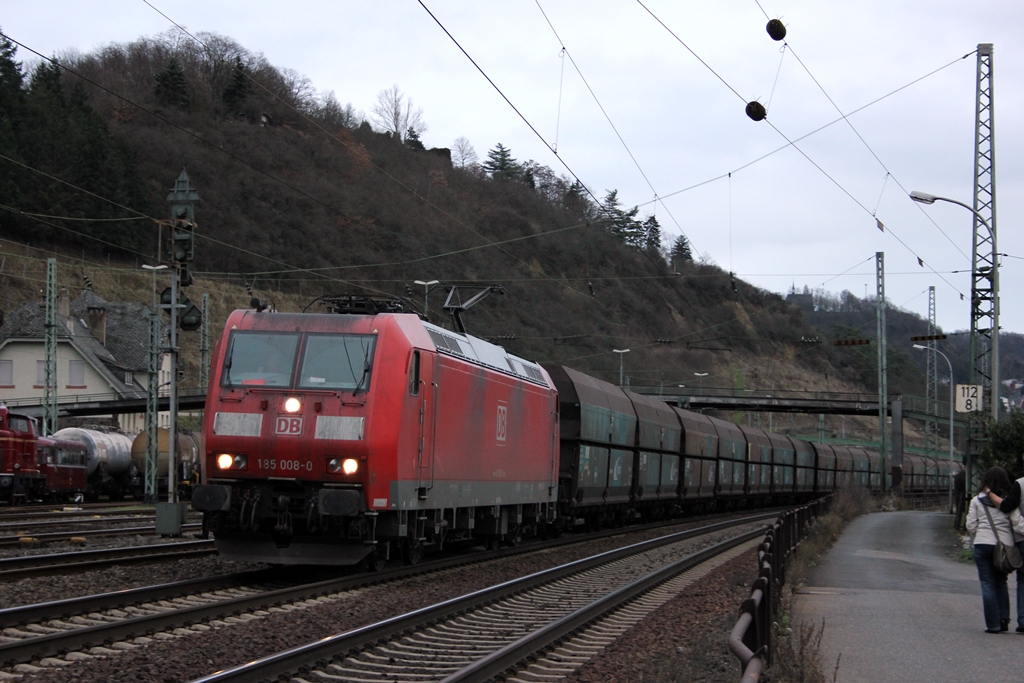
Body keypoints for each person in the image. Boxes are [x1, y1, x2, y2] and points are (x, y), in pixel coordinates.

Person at [967, 466, 1024, 633]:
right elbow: (1016, 523)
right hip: (1004, 547)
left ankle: (993, 625)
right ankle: (1004, 619)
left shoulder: (977, 500)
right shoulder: (1007, 502)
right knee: (1001, 582)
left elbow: (970, 525)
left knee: (987, 584)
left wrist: (980, 532)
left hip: (982, 545)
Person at [983, 471, 1024, 633]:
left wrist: (989, 493)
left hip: (1022, 538)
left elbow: (1009, 508)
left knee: (1023, 579)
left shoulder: (1020, 484)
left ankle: (1023, 620)